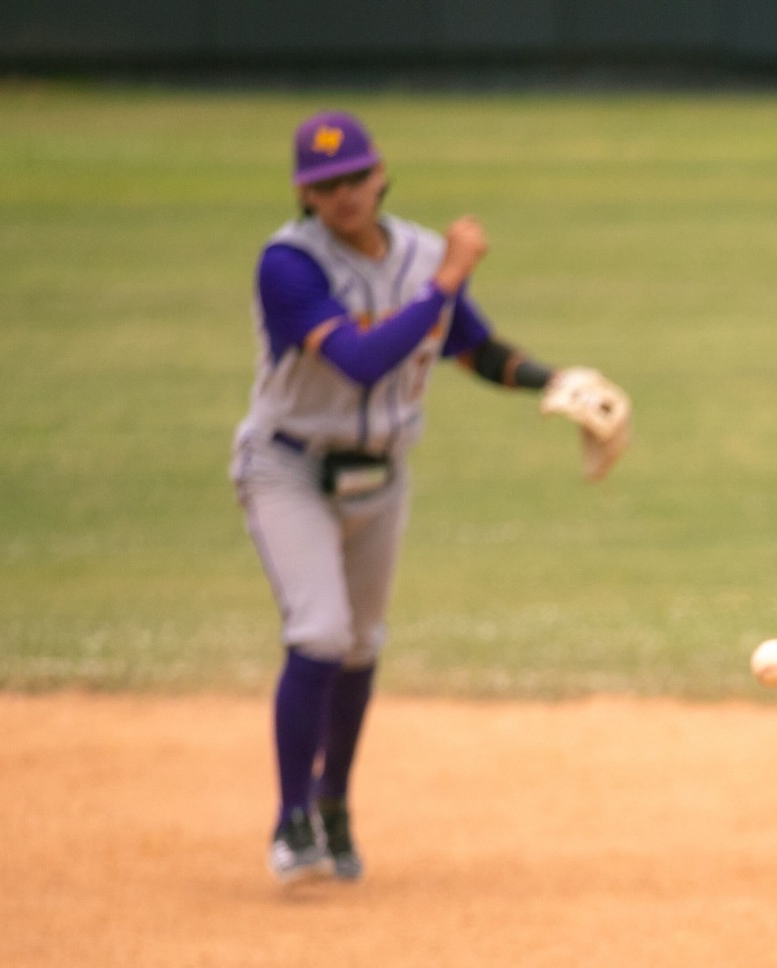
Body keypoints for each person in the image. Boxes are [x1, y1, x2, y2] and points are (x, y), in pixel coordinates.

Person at [232, 111, 629, 885]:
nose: (343, 195)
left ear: (381, 174)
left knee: (359, 644)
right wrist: (447, 280)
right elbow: (359, 359)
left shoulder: (416, 252)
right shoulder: (290, 266)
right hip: (287, 468)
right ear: (304, 196)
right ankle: (291, 825)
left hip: (382, 473)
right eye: (324, 186)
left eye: (354, 177)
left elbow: (470, 346)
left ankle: (335, 805)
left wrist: (557, 381)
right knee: (318, 632)